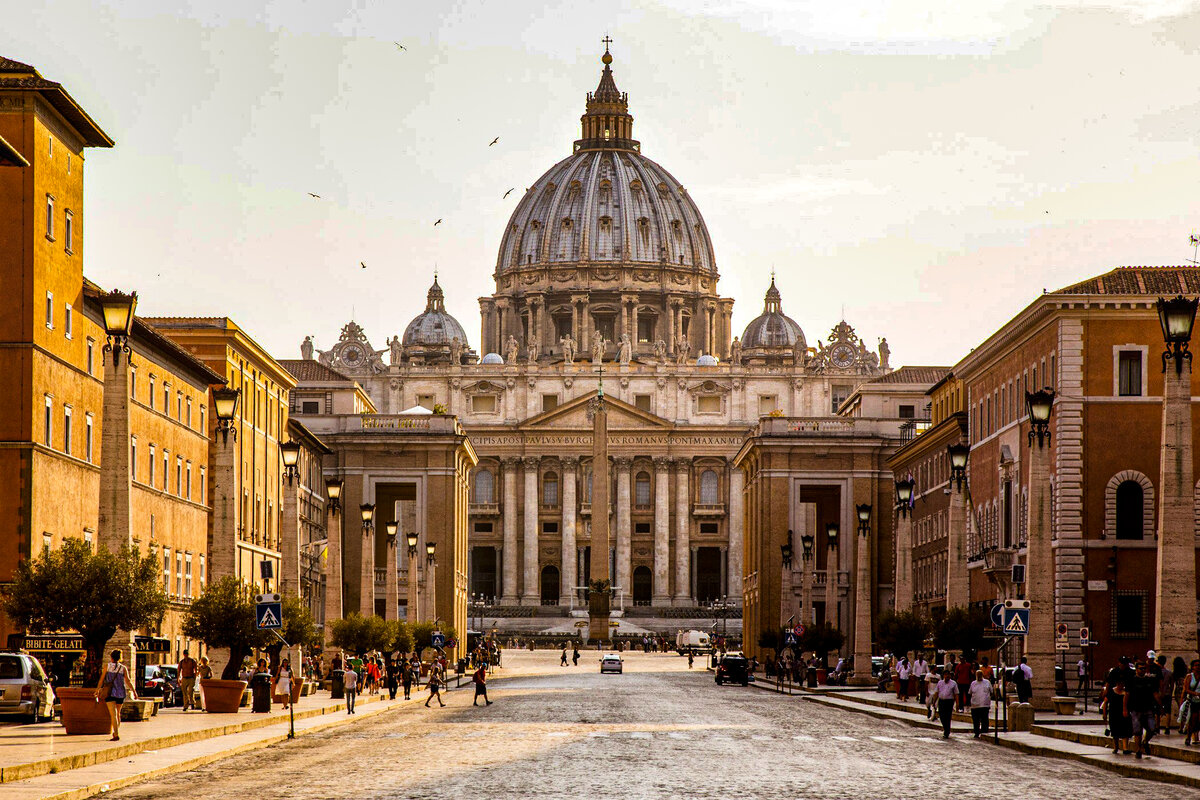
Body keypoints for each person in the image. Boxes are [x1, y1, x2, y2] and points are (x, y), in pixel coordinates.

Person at [97, 649, 135, 741]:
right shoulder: (123, 668)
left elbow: (102, 679)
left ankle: (116, 734)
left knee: (113, 714)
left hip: (109, 693)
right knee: (118, 713)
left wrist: (97, 689)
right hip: (121, 693)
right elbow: (128, 681)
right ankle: (116, 732)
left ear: (111, 657)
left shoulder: (107, 666)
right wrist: (134, 691)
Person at [1126, 659, 1158, 759]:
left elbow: (1155, 694)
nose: (1143, 670)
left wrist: (1160, 706)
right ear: (1136, 669)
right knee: (1137, 731)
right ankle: (1138, 750)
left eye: (1144, 668)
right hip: (1135, 708)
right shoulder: (1131, 680)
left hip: (1148, 708)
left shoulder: (1150, 680)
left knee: (1152, 729)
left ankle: (1145, 741)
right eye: (1140, 668)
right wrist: (1125, 708)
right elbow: (1126, 695)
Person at [968, 669, 993, 738]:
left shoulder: (987, 682)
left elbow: (991, 692)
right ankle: (976, 733)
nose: (979, 676)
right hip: (975, 705)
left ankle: (984, 733)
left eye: (980, 675)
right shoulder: (973, 683)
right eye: (977, 675)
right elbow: (970, 693)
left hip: (984, 705)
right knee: (976, 720)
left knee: (984, 720)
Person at [1181, 660, 1200, 746]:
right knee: (1192, 720)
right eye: (1196, 665)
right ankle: (1188, 736)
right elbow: (1186, 689)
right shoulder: (1189, 677)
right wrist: (1195, 693)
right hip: (1192, 701)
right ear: (1192, 667)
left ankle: (1196, 736)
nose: (1198, 667)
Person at [935, 669, 959, 738]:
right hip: (941, 701)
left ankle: (947, 731)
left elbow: (956, 694)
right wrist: (934, 701)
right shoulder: (940, 683)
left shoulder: (953, 683)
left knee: (947, 717)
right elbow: (937, 692)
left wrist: (957, 704)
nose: (947, 676)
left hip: (949, 702)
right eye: (945, 675)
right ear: (943, 675)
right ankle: (946, 728)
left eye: (948, 675)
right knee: (942, 716)